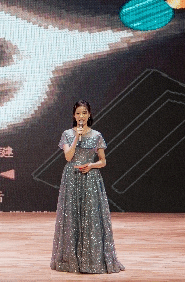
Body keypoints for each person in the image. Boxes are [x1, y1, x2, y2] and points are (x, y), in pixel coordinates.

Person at [50, 100, 124, 274]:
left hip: (90, 179)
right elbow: (68, 157)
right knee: (71, 217)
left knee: (91, 217)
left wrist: (91, 165)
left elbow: (103, 161)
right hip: (71, 178)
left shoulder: (97, 135)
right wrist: (77, 137)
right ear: (74, 115)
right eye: (78, 113)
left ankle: (91, 259)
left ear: (89, 114)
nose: (81, 116)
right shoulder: (67, 134)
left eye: (84, 113)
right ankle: (71, 259)